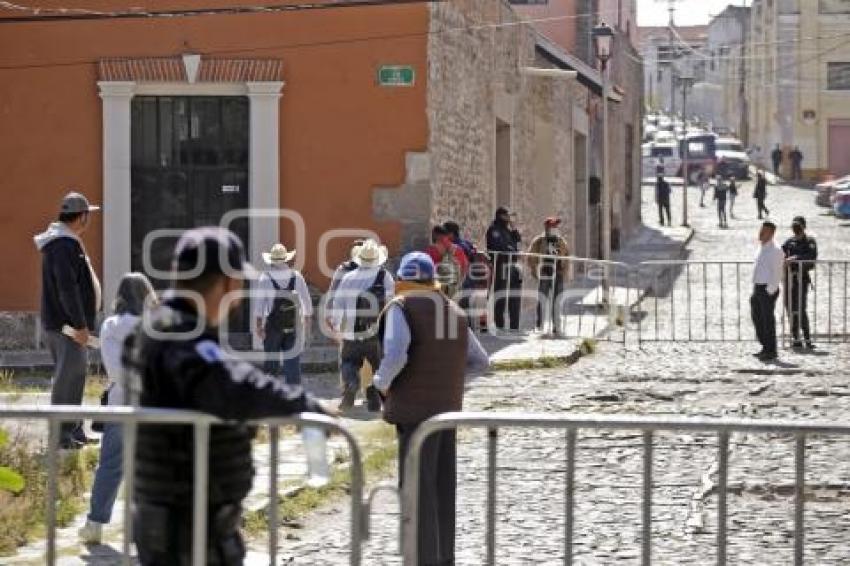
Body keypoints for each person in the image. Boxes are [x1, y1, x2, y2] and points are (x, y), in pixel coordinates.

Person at [123, 227, 331, 565]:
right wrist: (301, 404)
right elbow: (229, 383)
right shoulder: (179, 335)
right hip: (189, 522)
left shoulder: (158, 329)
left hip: (170, 515)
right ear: (229, 282)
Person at [373, 252, 489, 566]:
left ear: (402, 280)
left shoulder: (402, 308)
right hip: (446, 412)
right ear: (431, 280)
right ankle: (442, 558)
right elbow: (480, 361)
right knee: (441, 488)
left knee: (415, 489)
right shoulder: (453, 311)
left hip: (413, 414)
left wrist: (380, 382)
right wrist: (444, 377)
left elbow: (396, 354)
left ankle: (419, 559)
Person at [78, 272, 155, 544]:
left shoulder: (111, 326)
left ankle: (95, 525)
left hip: (122, 403)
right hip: (157, 406)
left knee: (110, 466)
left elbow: (116, 371)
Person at [34, 191, 102, 449]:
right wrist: (81, 325)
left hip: (68, 326)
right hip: (68, 327)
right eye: (88, 215)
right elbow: (67, 289)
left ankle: (74, 430)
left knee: (75, 377)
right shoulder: (63, 245)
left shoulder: (65, 242)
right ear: (82, 217)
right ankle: (62, 436)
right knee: (67, 379)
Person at [329, 239, 395, 410]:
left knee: (349, 362)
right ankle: (374, 402)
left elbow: (337, 303)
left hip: (351, 334)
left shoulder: (348, 277)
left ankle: (351, 385)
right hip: (376, 333)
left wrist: (336, 326)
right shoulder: (384, 276)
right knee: (376, 366)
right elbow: (391, 302)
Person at [254, 243, 313, 385]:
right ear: (286, 259)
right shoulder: (297, 277)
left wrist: (259, 328)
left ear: (272, 260)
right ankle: (294, 399)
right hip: (293, 326)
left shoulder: (265, 278)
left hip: (273, 327)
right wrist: (307, 329)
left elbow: (259, 308)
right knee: (292, 365)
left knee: (271, 366)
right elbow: (307, 306)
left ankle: (270, 398)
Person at [526, 218, 570, 334]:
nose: (555, 228)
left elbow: (566, 256)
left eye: (556, 226)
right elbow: (531, 256)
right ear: (546, 228)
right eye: (553, 226)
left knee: (557, 300)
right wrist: (534, 271)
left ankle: (557, 326)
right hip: (545, 273)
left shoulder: (561, 241)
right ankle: (539, 325)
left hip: (558, 274)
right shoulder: (539, 241)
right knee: (542, 299)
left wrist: (565, 272)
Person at [751, 221, 785, 362]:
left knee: (768, 321)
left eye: (764, 231)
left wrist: (769, 291)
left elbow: (777, 273)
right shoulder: (762, 247)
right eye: (761, 230)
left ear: (771, 233)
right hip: (758, 287)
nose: (761, 233)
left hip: (767, 289)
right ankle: (765, 346)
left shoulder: (775, 250)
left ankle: (771, 350)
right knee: (757, 318)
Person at [782, 216, 818, 349]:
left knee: (801, 308)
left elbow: (811, 258)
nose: (796, 229)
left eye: (798, 226)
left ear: (804, 227)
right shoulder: (789, 242)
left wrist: (796, 258)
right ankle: (796, 338)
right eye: (794, 226)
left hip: (801, 279)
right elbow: (781, 255)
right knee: (790, 308)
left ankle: (807, 338)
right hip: (788, 279)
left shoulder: (810, 241)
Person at [486, 207, 522, 330]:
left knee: (514, 296)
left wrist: (514, 228)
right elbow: (498, 247)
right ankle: (499, 324)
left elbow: (518, 242)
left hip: (513, 266)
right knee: (500, 295)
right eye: (507, 216)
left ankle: (514, 326)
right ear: (501, 216)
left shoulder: (508, 230)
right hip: (501, 265)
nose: (509, 218)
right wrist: (511, 250)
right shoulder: (494, 230)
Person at [425, 224, 468, 299]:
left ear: (435, 236)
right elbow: (464, 267)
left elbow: (426, 271)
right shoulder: (458, 249)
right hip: (454, 290)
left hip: (436, 291)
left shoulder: (431, 250)